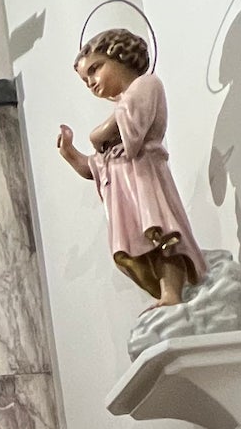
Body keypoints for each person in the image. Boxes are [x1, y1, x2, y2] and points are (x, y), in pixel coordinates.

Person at [57, 28, 208, 309]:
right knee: (142, 247)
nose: (91, 82)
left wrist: (99, 133)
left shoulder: (145, 85)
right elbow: (97, 167)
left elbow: (134, 138)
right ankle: (166, 294)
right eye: (85, 79)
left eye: (95, 69)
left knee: (163, 235)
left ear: (121, 55)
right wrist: (70, 152)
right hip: (126, 189)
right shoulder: (122, 108)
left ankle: (172, 293)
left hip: (145, 177)